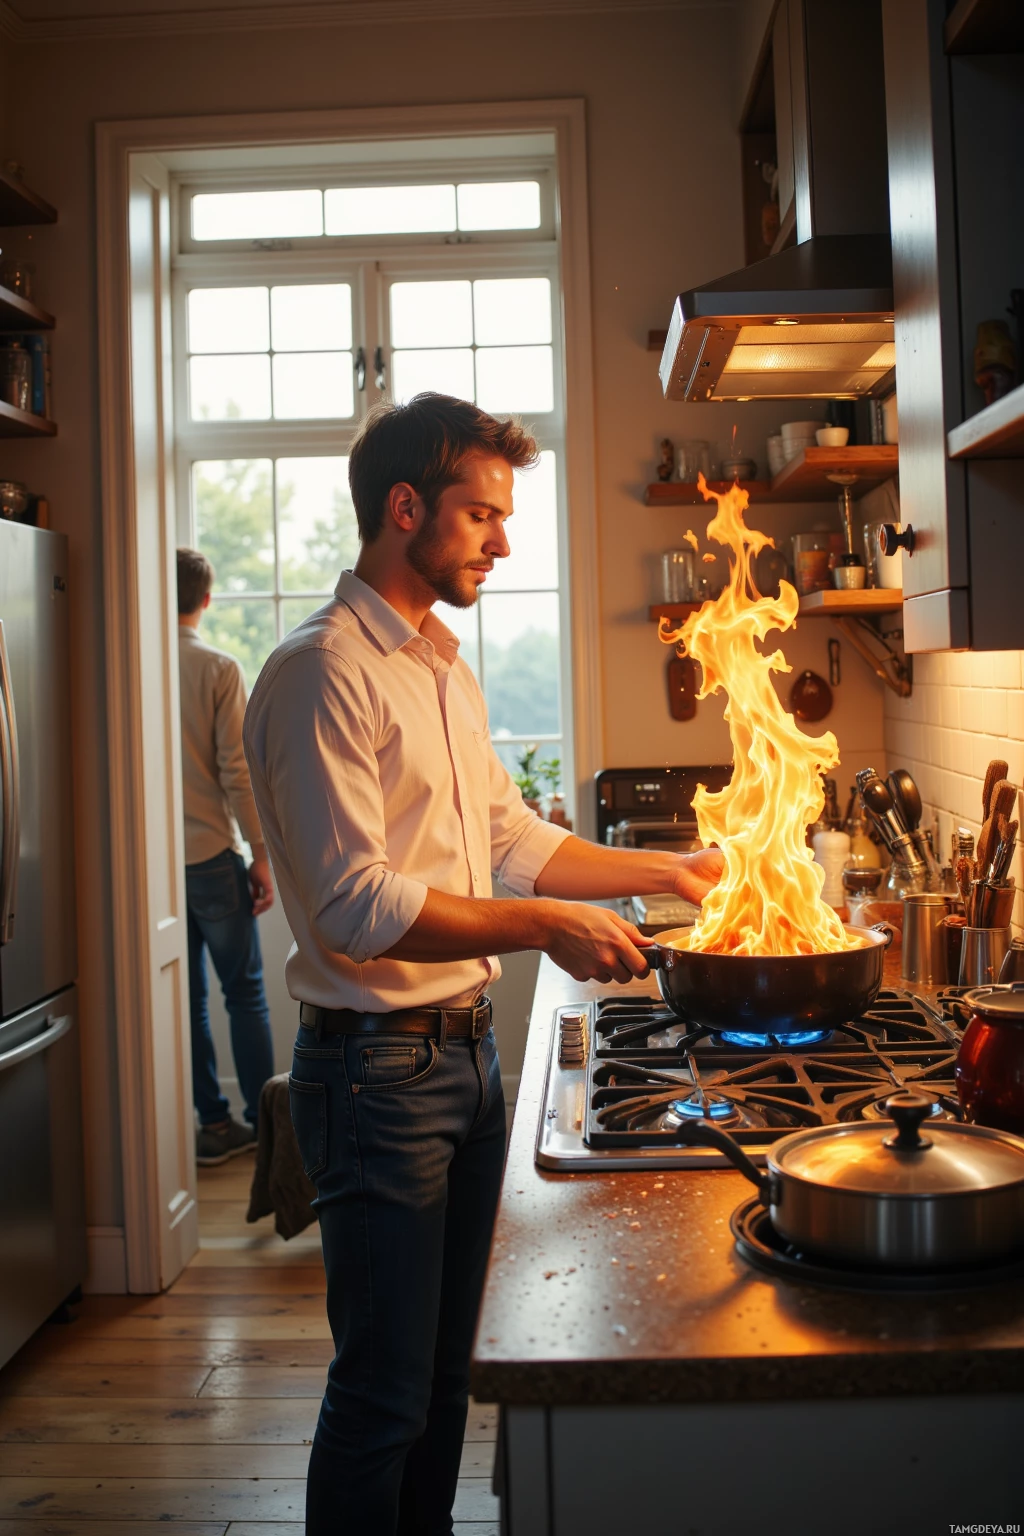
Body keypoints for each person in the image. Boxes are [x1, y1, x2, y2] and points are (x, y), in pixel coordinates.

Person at [242, 394, 722, 1536]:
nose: (502, 540)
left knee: (447, 1382)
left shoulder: (442, 669)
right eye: (480, 514)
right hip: (375, 1078)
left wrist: (679, 872)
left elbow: (511, 841)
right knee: (380, 1395)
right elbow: (360, 907)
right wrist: (545, 928)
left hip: (462, 1065)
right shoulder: (322, 673)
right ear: (404, 508)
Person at [177, 547, 276, 1166]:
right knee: (245, 994)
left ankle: (212, 1126)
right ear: (206, 600)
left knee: (180, 1000)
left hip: (149, 866)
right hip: (212, 854)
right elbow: (237, 771)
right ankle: (267, 1132)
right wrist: (261, 853)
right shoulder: (216, 666)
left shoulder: (127, 662)